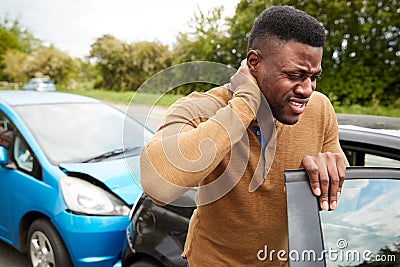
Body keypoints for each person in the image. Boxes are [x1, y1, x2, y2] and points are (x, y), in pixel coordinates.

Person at [140, 5, 347, 266]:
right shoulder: (201, 108)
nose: (307, 90)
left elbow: (337, 161)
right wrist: (246, 102)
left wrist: (331, 168)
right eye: (294, 75)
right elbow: (158, 185)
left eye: (313, 77)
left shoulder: (320, 108)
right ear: (254, 63)